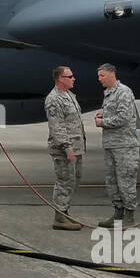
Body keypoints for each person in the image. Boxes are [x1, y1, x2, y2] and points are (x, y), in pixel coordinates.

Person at [94, 63, 140, 227]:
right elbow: (115, 112)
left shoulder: (123, 92)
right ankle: (118, 213)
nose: (99, 79)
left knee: (126, 181)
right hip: (111, 145)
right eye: (99, 76)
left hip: (125, 146)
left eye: (102, 76)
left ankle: (129, 215)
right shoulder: (108, 93)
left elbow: (124, 118)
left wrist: (102, 122)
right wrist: (103, 113)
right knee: (112, 181)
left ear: (111, 74)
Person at [44, 66, 86, 230]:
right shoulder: (54, 99)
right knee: (64, 181)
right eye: (70, 76)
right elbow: (57, 127)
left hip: (76, 148)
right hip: (64, 150)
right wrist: (67, 149)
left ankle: (65, 213)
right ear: (61, 79)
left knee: (73, 181)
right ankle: (60, 217)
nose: (74, 78)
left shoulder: (69, 95)